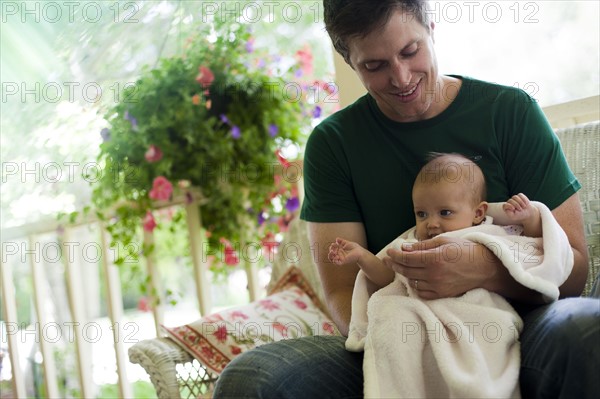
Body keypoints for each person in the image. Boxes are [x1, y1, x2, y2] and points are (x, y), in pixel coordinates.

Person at [213, 1, 599, 397]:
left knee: (587, 329)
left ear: (431, 28)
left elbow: (573, 270)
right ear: (350, 62)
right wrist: (405, 344)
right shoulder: (334, 146)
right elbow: (346, 291)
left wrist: (483, 271)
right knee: (251, 379)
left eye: (410, 51)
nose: (401, 78)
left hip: (512, 330)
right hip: (393, 338)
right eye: (374, 66)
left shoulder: (509, 113)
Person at [328, 152, 543, 290]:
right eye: (422, 214)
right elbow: (386, 277)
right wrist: (361, 256)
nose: (431, 224)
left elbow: (531, 250)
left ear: (478, 214)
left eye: (445, 213)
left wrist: (530, 217)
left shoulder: (490, 233)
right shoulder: (412, 245)